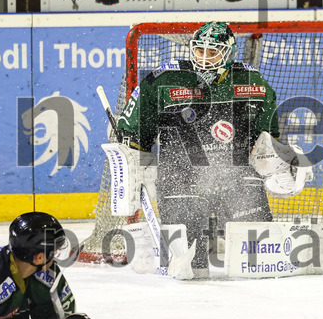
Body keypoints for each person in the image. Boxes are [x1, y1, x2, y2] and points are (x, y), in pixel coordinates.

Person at [114, 21, 310, 278]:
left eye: (213, 52)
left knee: (258, 260)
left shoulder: (253, 83)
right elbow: (133, 134)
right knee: (190, 267)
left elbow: (266, 141)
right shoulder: (164, 80)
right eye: (199, 51)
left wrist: (279, 165)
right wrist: (135, 166)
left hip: (238, 177)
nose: (204, 59)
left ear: (229, 54)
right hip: (180, 178)